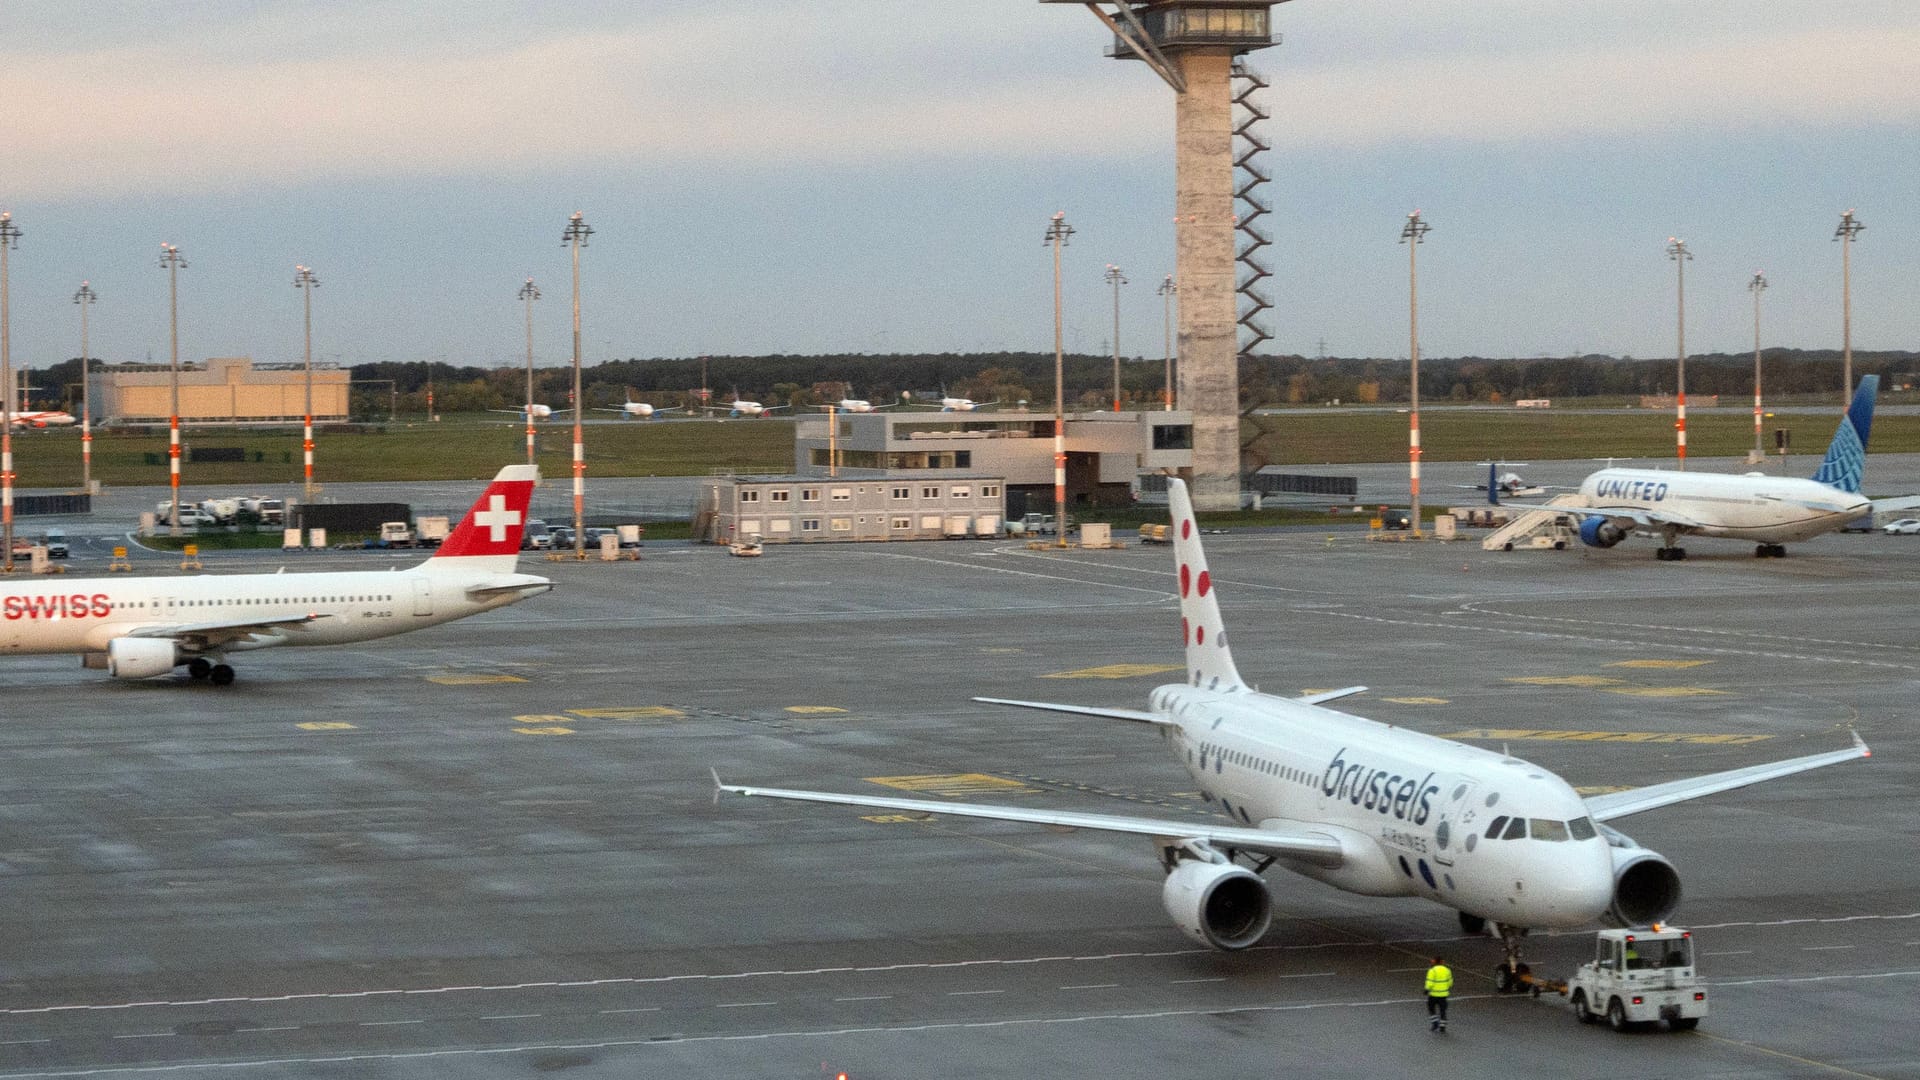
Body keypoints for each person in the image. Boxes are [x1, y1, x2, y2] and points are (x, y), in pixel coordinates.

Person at [1425, 956, 1453, 1032]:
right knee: (1443, 1010)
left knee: (1431, 1008)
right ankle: (1443, 1026)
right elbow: (1450, 983)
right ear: (1442, 962)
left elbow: (1430, 982)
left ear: (1434, 962)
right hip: (1443, 995)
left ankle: (1435, 1023)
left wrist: (1426, 989)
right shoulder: (1447, 970)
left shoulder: (1432, 971)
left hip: (1433, 995)